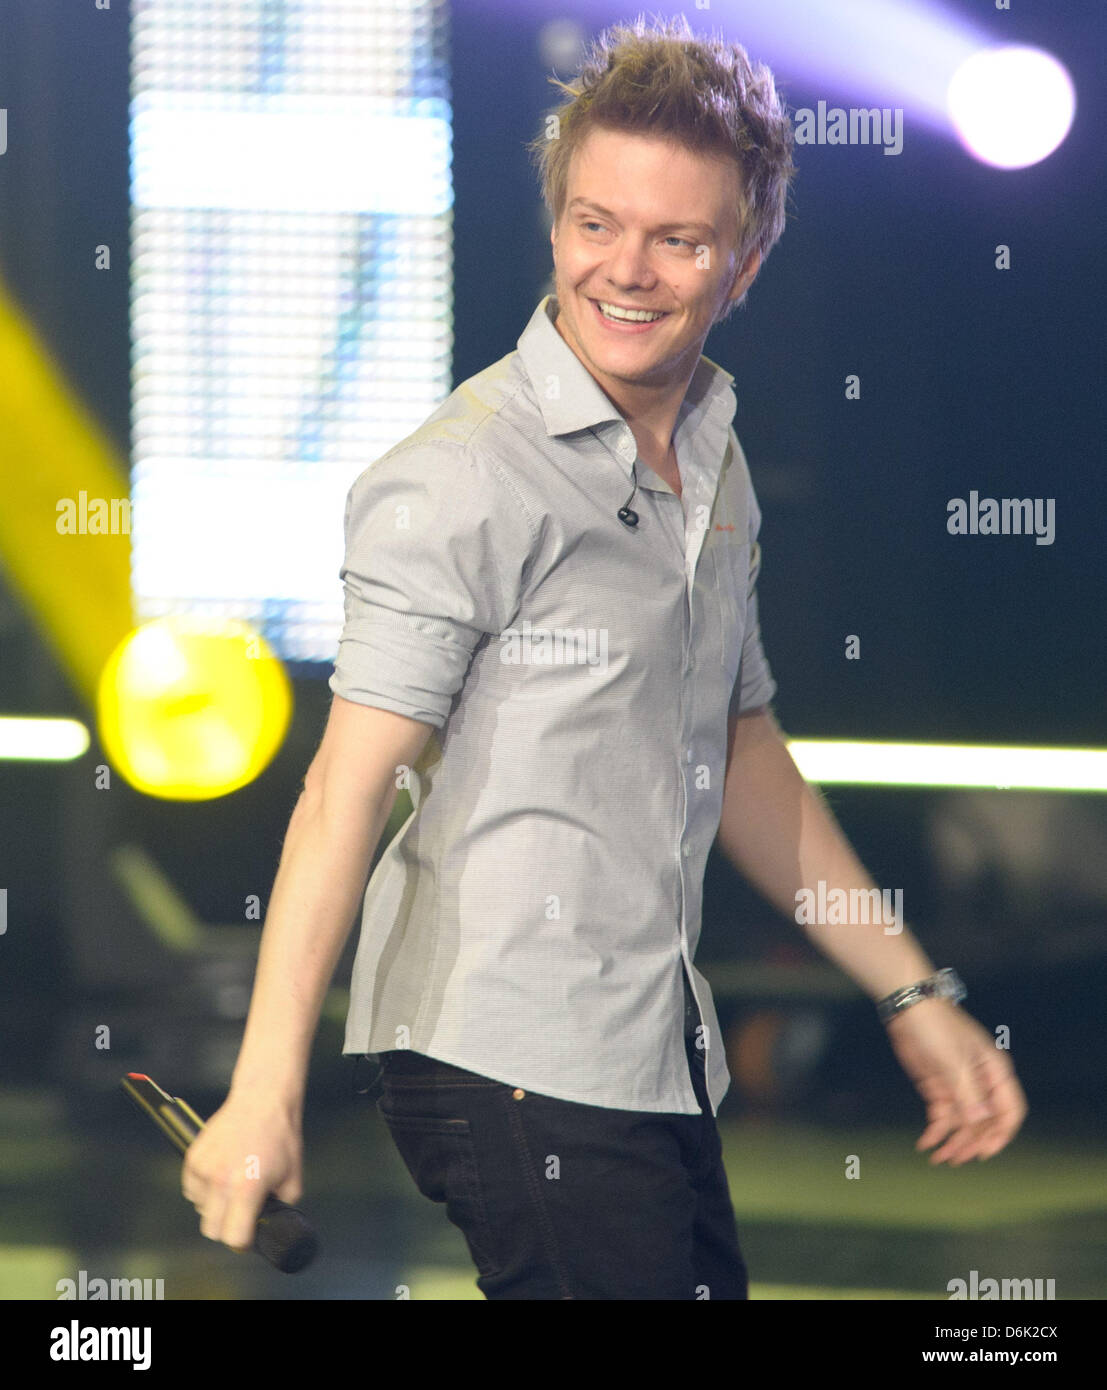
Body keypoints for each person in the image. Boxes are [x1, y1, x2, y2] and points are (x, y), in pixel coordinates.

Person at [182, 16, 1027, 1299]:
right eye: (594, 224)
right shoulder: (463, 477)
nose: (623, 271)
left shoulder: (717, 450)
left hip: (645, 1051)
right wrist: (261, 1090)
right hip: (504, 1053)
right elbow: (340, 795)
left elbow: (741, 748)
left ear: (740, 263)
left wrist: (913, 994)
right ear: (556, 221)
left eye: (676, 238)